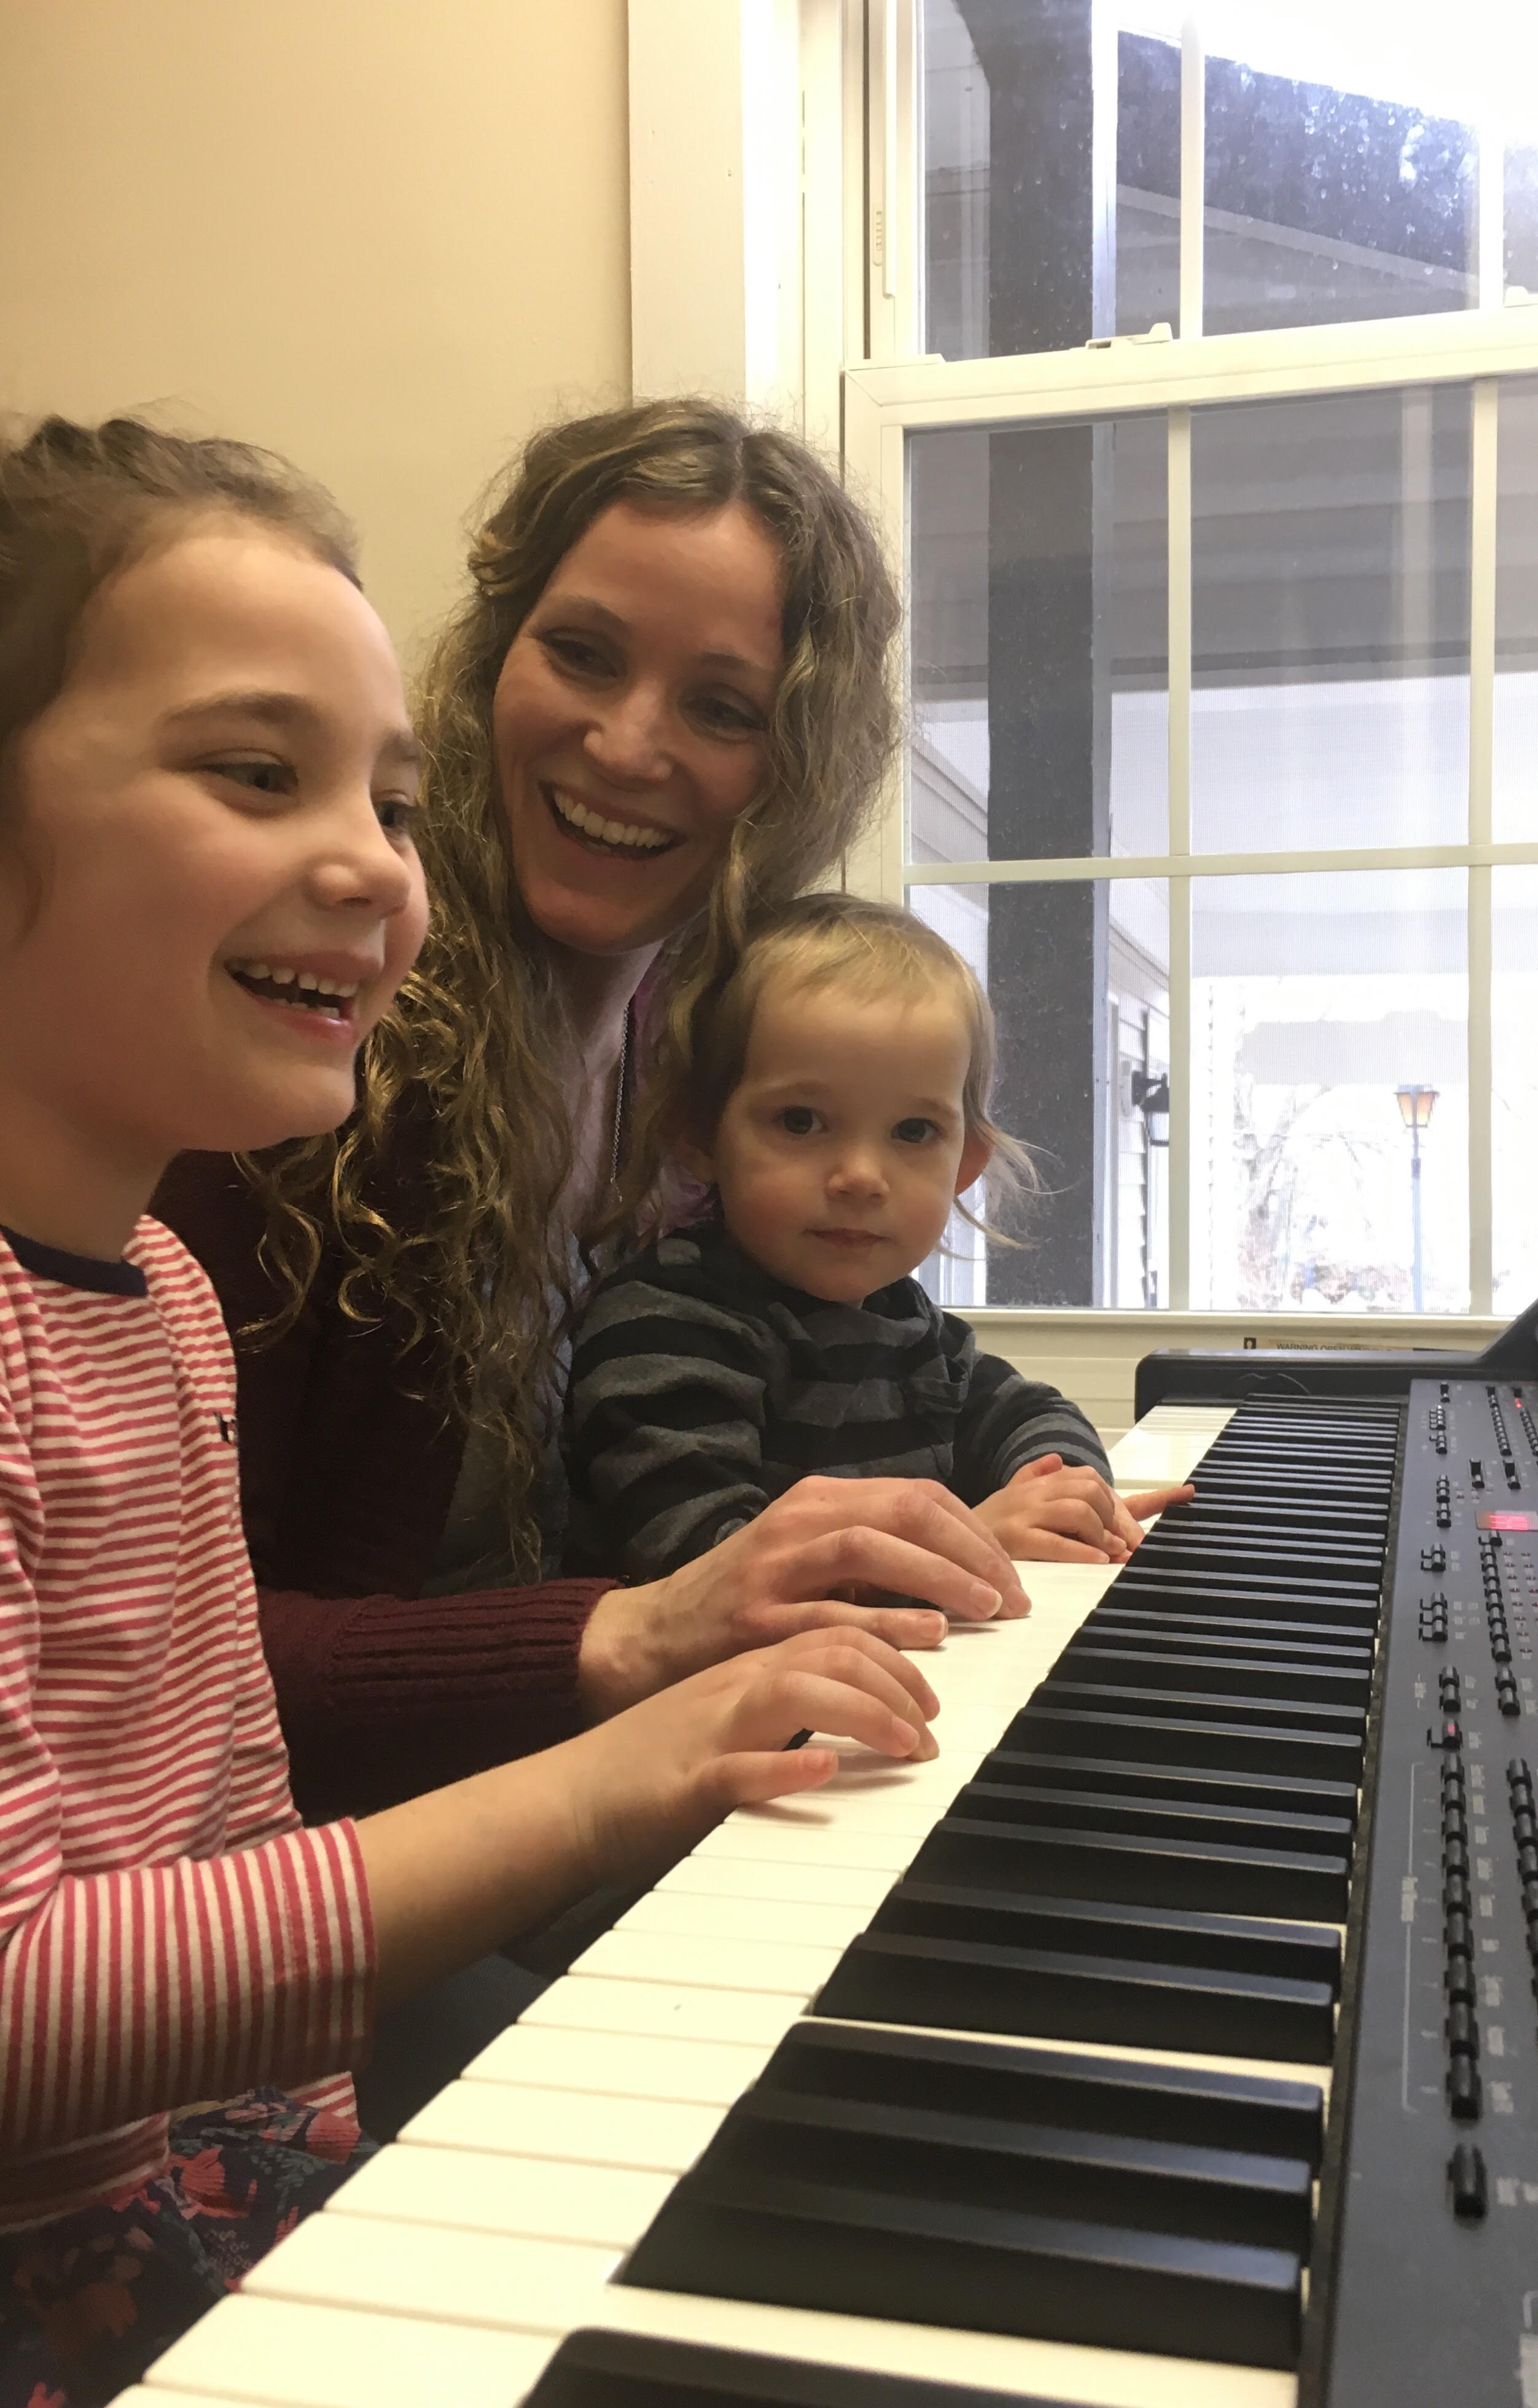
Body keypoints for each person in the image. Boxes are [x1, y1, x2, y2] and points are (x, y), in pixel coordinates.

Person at [0, 417, 939, 2406]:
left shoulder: (162, 1279)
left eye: (717, 702)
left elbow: (209, 1778)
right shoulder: (258, 1091)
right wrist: (616, 1681)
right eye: (259, 775)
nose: (625, 744)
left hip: (237, 2079)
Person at [150, 402, 1028, 1833]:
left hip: (582, 1791)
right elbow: (156, 1676)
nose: (626, 745)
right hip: (324, 1866)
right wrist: (623, 1633)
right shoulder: (316, 1045)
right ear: (496, 652)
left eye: (722, 706)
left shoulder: (713, 1070)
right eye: (583, 654)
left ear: (789, 758)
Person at [564, 894, 1192, 1581]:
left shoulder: (908, 1324)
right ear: (699, 1135)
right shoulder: (664, 1324)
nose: (860, 1177)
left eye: (912, 1132)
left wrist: (1059, 1489)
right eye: (801, 1121)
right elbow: (704, 1568)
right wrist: (975, 1538)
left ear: (965, 1164)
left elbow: (1031, 1414)